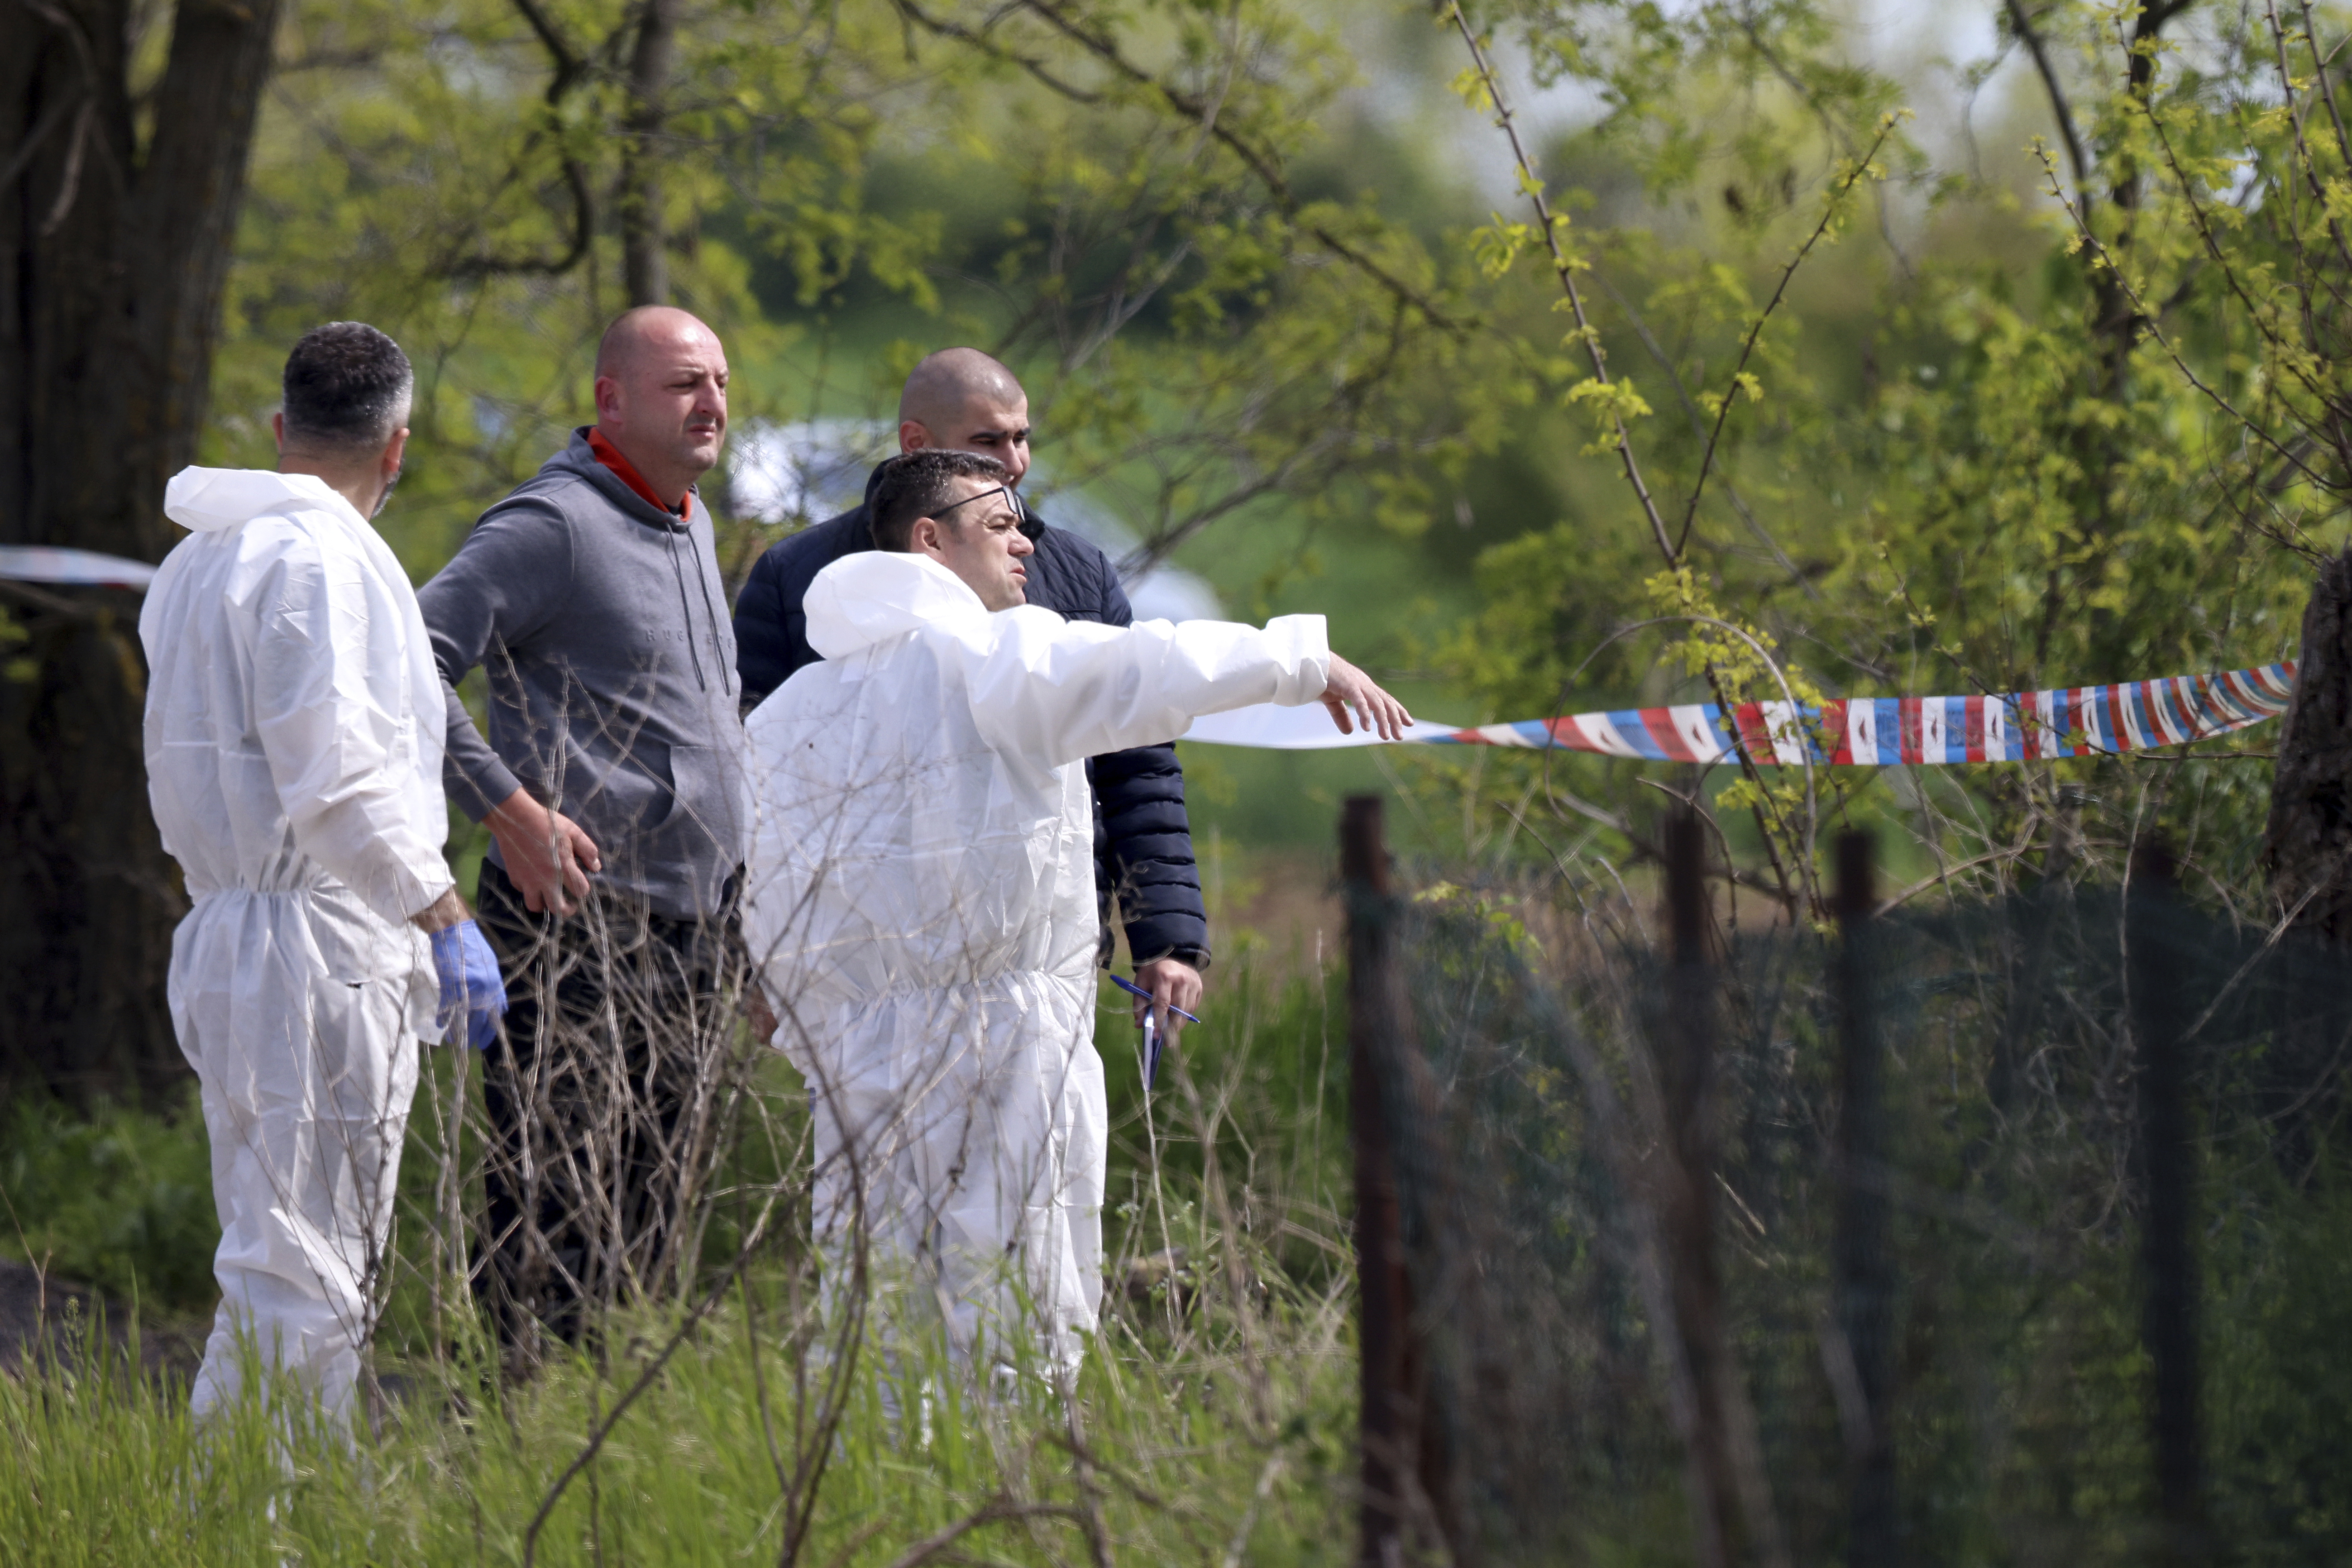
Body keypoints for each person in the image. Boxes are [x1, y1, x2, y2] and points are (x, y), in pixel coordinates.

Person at [741, 449, 1410, 1378]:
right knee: (1023, 1299)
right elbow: (1144, 665)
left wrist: (828, 1034)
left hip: (857, 1061)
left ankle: (884, 1496)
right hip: (1009, 1048)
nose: (1025, 540)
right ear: (929, 541)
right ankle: (1021, 1502)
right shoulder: (1002, 656)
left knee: (876, 1305)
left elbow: (770, 898)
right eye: (999, 522)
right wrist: (1301, 659)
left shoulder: (794, 710)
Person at [141, 322, 507, 1434]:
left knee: (280, 1257)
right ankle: (258, 1529)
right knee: (308, 1272)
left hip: (232, 933)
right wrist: (441, 910)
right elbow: (337, 778)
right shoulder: (324, 561)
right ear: (398, 449)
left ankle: (261, 1516)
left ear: (280, 430)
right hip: (316, 945)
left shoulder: (202, 558)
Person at [417, 305, 751, 1364]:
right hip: (576, 926)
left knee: (652, 1222)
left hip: (697, 934)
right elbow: (402, 666)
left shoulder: (690, 517)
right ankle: (520, 1444)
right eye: (684, 384)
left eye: (722, 382)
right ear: (611, 398)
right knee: (554, 1212)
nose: (713, 404)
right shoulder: (549, 527)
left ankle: (611, 1443)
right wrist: (507, 810)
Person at [733, 349, 1208, 1043]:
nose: (1015, 462)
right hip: (866, 976)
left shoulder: (1075, 575)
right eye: (989, 441)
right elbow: (757, 780)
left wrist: (1166, 939)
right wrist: (759, 957)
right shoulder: (800, 575)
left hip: (1044, 959)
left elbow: (1137, 765)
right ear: (916, 445)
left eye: (1022, 437)